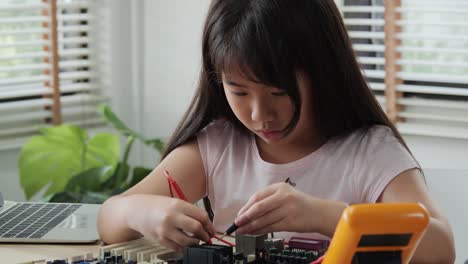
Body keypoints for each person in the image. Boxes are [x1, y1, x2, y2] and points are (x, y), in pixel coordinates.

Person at [98, 0, 455, 263]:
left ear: (323, 73)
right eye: (238, 91)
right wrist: (145, 213)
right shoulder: (219, 145)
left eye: (278, 92)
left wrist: (324, 216)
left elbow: (441, 247)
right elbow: (110, 217)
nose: (259, 114)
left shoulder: (370, 151)